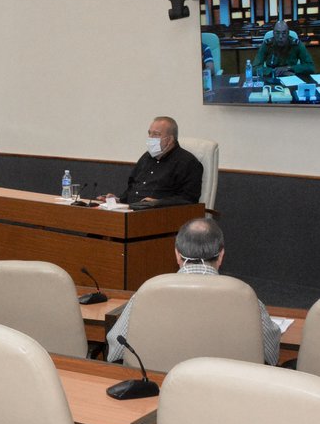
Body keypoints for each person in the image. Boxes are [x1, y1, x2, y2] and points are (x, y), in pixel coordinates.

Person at [106, 218, 280, 365]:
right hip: (229, 397)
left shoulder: (147, 293)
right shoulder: (246, 298)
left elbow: (115, 351)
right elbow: (270, 357)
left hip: (157, 393)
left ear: (177, 254)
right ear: (221, 255)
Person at [100, 116, 203, 204]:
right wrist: (118, 201)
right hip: (132, 211)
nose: (150, 137)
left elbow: (188, 199)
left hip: (160, 217)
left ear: (170, 139)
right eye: (149, 133)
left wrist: (157, 203)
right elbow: (133, 187)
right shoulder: (146, 157)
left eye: (156, 134)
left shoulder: (187, 162)